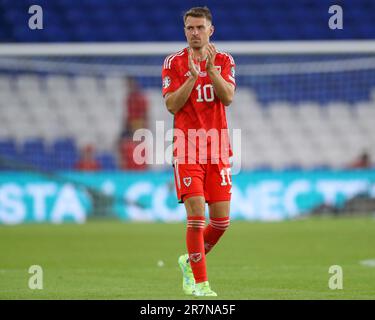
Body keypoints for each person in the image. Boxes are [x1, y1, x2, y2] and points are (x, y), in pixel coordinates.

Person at [162, 7, 236, 297]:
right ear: (185, 31)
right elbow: (171, 105)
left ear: (210, 30)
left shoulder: (225, 60)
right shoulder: (173, 62)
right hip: (187, 148)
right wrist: (192, 78)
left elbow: (228, 97)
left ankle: (189, 260)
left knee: (221, 222)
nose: (195, 33)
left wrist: (211, 71)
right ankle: (201, 284)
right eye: (190, 28)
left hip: (218, 149)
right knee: (196, 217)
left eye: (200, 28)